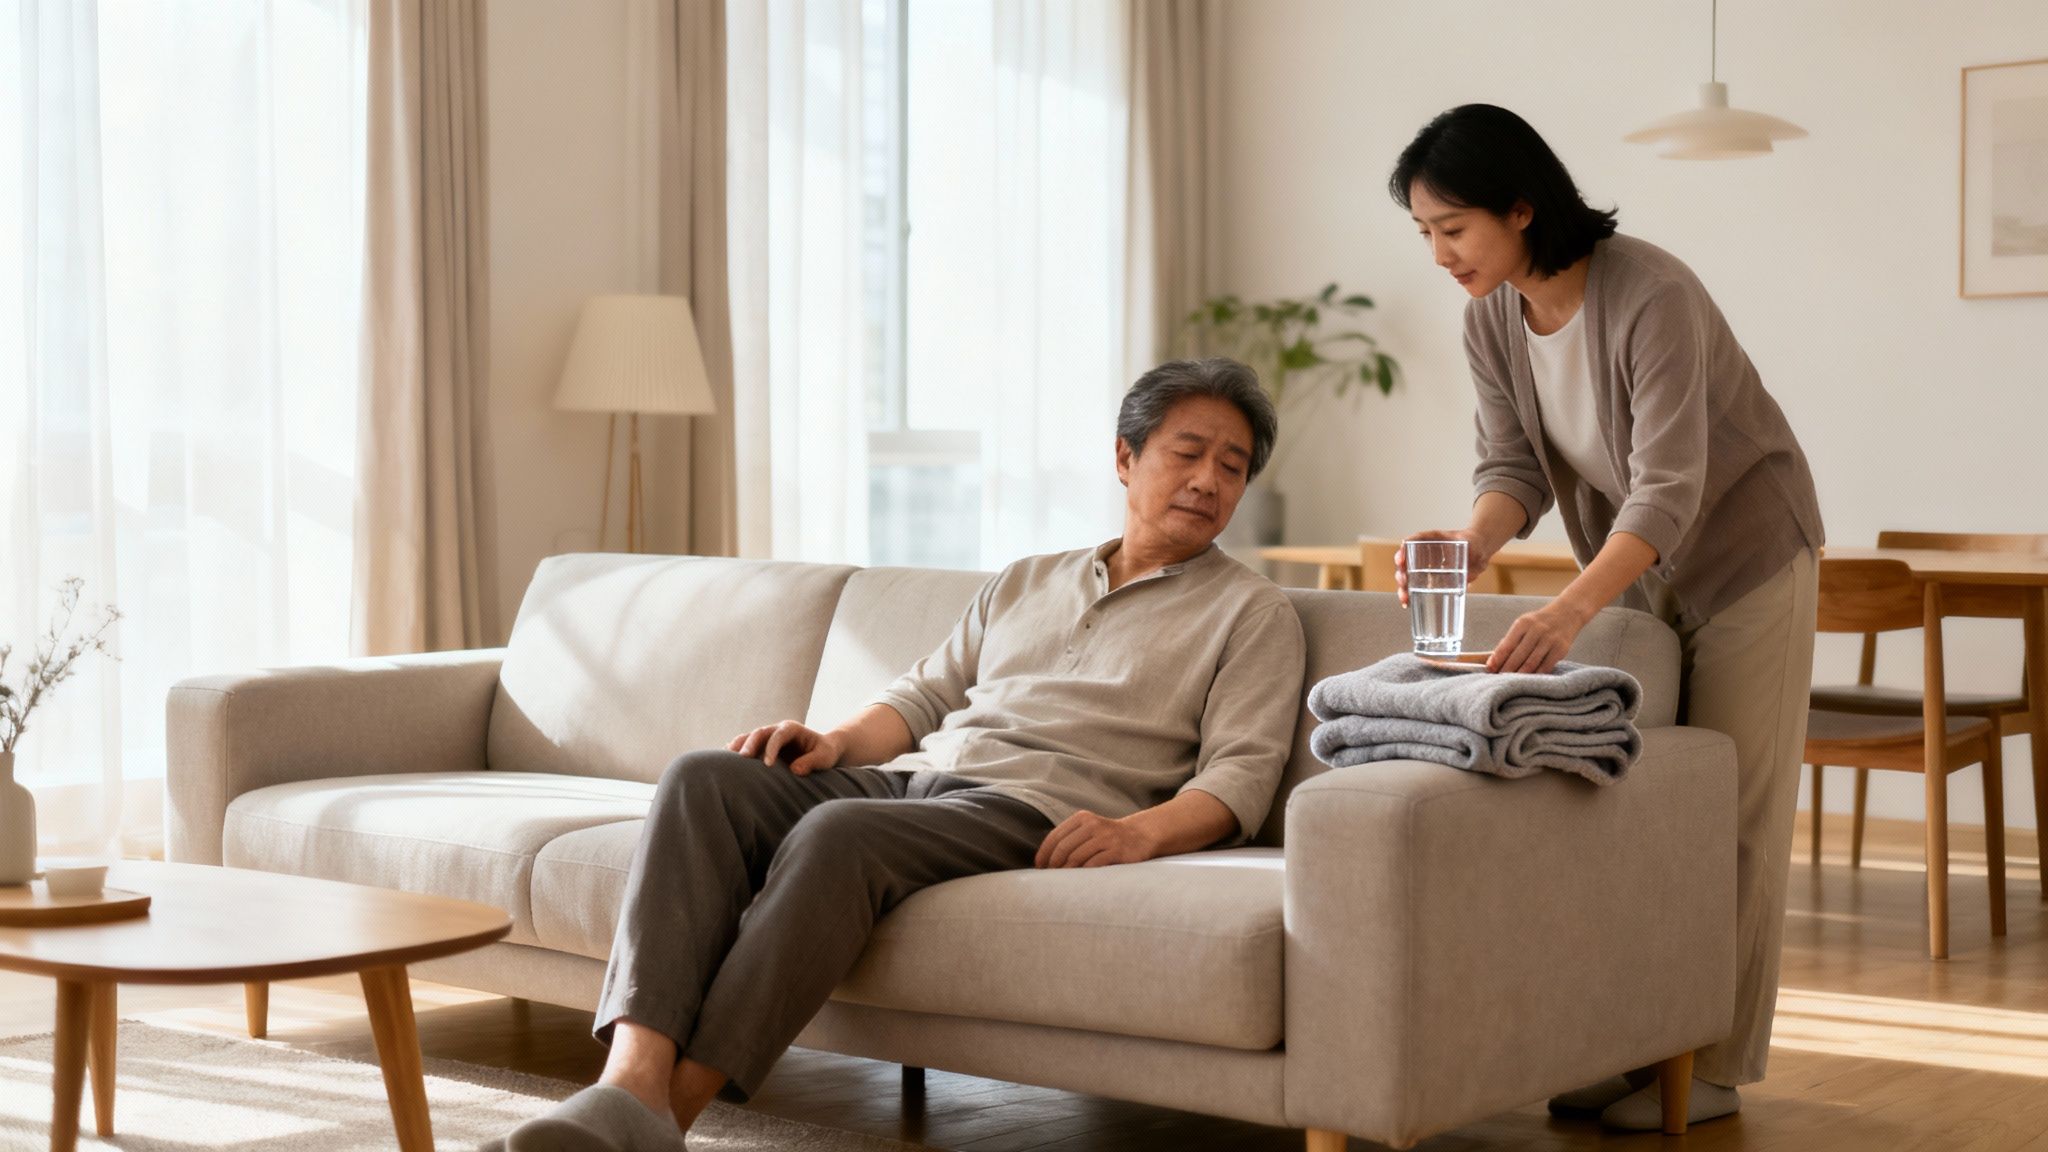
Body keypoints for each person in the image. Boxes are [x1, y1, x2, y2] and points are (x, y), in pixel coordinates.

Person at [487, 357, 1306, 1152]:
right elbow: (924, 695)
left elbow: (1240, 776)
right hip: (915, 781)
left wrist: (1140, 833)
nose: (1207, 480)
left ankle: (670, 1119)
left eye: (1231, 468)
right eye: (1187, 453)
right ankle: (630, 1085)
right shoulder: (1027, 579)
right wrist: (836, 741)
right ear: (1125, 459)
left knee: (839, 833)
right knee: (706, 779)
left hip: (1028, 810)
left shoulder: (1251, 612)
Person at [1388, 104, 1824, 1130]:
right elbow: (1507, 468)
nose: (1439, 255)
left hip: (1746, 556)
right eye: (1423, 236)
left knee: (1731, 814)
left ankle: (1710, 1065)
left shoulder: (1650, 292)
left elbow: (1668, 488)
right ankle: (1632, 1043)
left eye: (1452, 228)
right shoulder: (1488, 316)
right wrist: (1470, 546)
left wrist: (1572, 608)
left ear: (1521, 206)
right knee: (1631, 807)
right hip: (1628, 565)